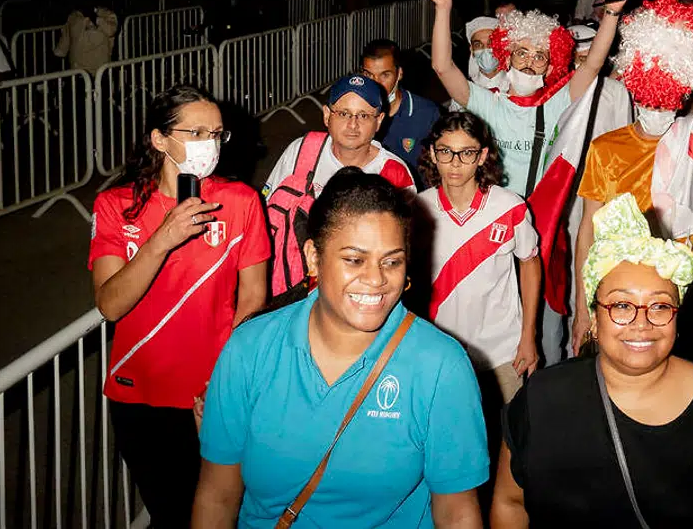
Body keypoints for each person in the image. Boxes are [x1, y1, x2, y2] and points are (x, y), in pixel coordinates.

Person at [193, 170, 488, 528]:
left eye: (392, 261)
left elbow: (457, 513)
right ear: (313, 258)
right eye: (354, 259)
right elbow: (217, 495)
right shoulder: (249, 350)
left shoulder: (441, 365)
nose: (377, 279)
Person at [491, 194, 693, 528]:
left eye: (659, 306)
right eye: (622, 306)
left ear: (677, 318)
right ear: (594, 320)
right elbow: (510, 502)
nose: (641, 323)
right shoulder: (540, 399)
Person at [90, 85, 268, 529]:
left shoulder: (242, 201)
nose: (209, 144)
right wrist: (163, 238)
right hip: (140, 393)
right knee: (169, 513)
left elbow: (253, 296)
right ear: (159, 139)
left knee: (221, 511)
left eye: (218, 134)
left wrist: (227, 374)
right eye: (196, 132)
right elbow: (110, 304)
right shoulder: (115, 206)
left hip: (214, 394)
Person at [570, 0, 693, 354]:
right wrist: (582, 303)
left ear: (682, 93)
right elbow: (587, 229)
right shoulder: (606, 147)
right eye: (650, 90)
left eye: (668, 90)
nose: (658, 102)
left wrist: (692, 50)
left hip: (679, 280)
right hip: (618, 283)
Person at [417, 0, 630, 194]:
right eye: (521, 53)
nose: (529, 61)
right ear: (506, 57)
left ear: (550, 67)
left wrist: (611, 13)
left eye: (540, 56)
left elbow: (592, 64)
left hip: (538, 215)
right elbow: (443, 67)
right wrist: (443, 7)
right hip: (493, 214)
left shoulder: (556, 103)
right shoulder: (488, 102)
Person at [415, 111, 542, 403]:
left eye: (467, 153)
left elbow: (530, 264)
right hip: (441, 353)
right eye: (446, 152)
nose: (456, 163)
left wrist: (528, 337)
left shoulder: (509, 207)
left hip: (502, 351)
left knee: (507, 438)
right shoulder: (417, 209)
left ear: (483, 156)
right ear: (433, 155)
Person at [261, 74, 416, 204]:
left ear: (379, 121)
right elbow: (268, 207)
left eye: (363, 115)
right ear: (327, 115)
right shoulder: (302, 151)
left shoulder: (393, 172)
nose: (353, 124)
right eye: (343, 113)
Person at [361, 38, 439, 170]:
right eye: (369, 75)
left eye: (385, 75)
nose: (376, 84)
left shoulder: (426, 113)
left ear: (400, 73)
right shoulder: (353, 113)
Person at [53, 0, 119, 72]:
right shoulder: (74, 17)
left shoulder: (107, 15)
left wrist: (96, 19)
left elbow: (111, 30)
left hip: (98, 71)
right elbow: (63, 44)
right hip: (77, 70)